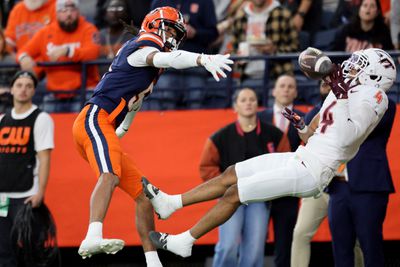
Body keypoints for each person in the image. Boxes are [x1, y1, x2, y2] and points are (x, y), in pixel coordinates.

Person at [142, 48, 397, 259]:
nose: (352, 66)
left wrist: (341, 94)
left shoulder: (374, 97)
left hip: (314, 172)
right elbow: (311, 134)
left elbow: (347, 136)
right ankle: (171, 203)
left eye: (359, 64)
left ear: (373, 75)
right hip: (302, 156)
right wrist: (301, 125)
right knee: (232, 172)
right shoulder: (345, 88)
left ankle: (185, 241)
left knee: (235, 194)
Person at [71, 5, 233, 265]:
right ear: (152, 25)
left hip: (107, 124)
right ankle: (92, 235)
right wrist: (203, 59)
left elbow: (136, 101)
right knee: (110, 175)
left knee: (145, 196)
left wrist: (124, 128)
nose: (170, 35)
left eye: (175, 32)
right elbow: (167, 59)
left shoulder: (150, 62)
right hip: (94, 118)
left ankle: (152, 260)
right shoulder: (142, 46)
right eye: (167, 28)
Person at [199, 87, 290, 267]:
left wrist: (271, 187)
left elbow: (286, 164)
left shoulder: (274, 134)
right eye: (243, 100)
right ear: (235, 107)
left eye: (252, 99)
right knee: (227, 246)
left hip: (259, 199)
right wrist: (224, 188)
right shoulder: (220, 137)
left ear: (258, 104)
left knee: (255, 250)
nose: (248, 102)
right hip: (230, 200)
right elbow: (206, 167)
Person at [290, 81, 364, 267]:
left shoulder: (358, 108)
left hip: (344, 183)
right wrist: (301, 127)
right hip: (319, 182)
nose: (325, 82)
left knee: (350, 238)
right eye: (322, 80)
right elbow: (308, 140)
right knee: (300, 233)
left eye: (329, 79)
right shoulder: (316, 111)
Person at [328, 98, 396, 267]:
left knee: (371, 248)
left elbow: (363, 127)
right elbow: (313, 122)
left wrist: (343, 101)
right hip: (338, 186)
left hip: (368, 186)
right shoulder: (334, 100)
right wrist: (333, 97)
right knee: (341, 249)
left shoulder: (383, 101)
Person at [0, 70, 55, 267]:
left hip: (27, 196)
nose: (23, 90)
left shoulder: (41, 119)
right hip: (2, 197)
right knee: (3, 253)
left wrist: (40, 192)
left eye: (29, 86)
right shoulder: (2, 120)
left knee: (31, 252)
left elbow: (44, 157)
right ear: (12, 90)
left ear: (34, 91)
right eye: (19, 85)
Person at [17, 0, 100, 112]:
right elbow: (23, 51)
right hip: (54, 94)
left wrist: (68, 51)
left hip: (84, 92)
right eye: (64, 11)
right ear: (56, 13)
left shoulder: (89, 29)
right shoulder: (46, 32)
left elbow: (93, 53)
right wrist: (24, 58)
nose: (69, 14)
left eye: (72, 10)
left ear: (78, 12)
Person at [257, 74, 302, 267]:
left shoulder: (304, 119)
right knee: (254, 243)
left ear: (296, 92)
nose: (286, 89)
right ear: (274, 91)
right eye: (282, 85)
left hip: (289, 191)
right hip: (261, 190)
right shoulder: (259, 117)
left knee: (284, 246)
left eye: (290, 86)